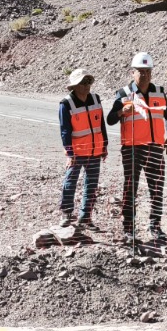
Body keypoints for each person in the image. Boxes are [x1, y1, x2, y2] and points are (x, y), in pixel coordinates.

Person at [106, 52, 167, 241]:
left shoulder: (159, 92)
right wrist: (120, 111)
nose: (144, 75)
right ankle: (129, 228)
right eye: (140, 71)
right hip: (132, 149)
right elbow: (110, 119)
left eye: (147, 71)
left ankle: (155, 226)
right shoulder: (123, 94)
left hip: (155, 148)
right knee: (130, 189)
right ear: (132, 73)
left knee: (157, 188)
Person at [58, 68, 107, 229]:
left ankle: (85, 218)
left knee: (91, 185)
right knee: (70, 182)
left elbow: (101, 124)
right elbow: (65, 130)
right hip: (77, 152)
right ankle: (66, 214)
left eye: (88, 82)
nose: (87, 86)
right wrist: (70, 153)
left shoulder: (95, 99)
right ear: (74, 86)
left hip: (94, 151)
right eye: (83, 83)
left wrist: (104, 145)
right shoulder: (66, 104)